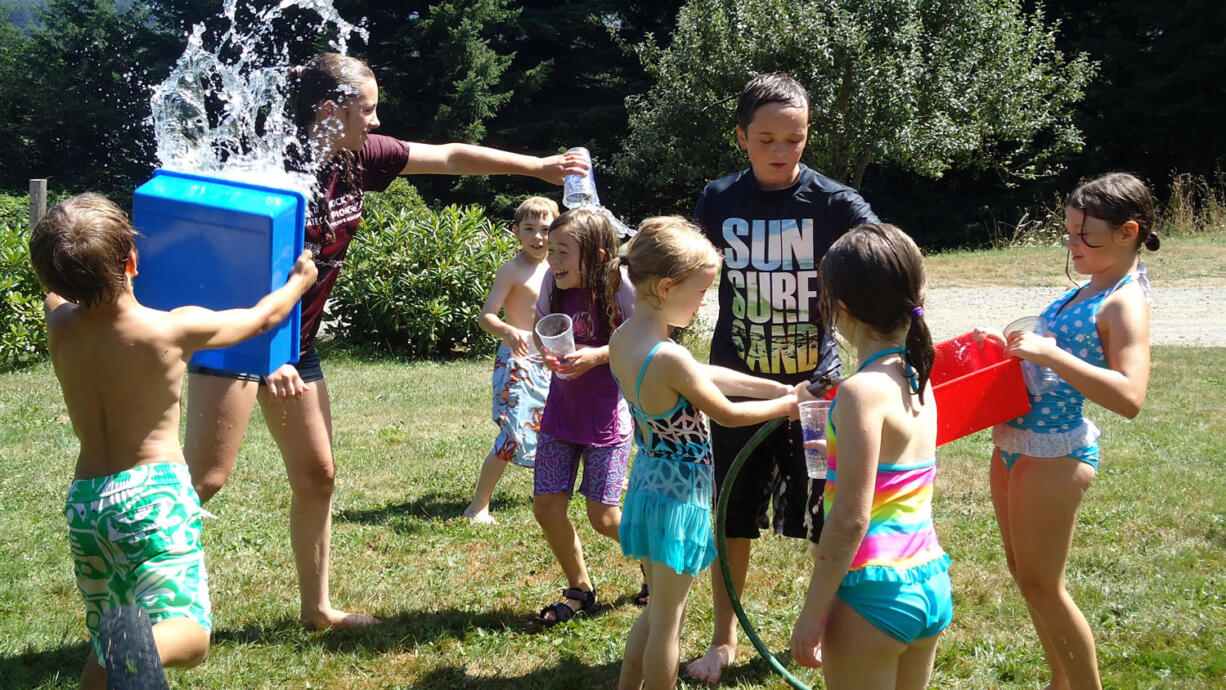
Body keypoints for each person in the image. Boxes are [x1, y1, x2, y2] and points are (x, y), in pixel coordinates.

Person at [182, 53, 587, 629]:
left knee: (318, 475)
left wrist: (537, 166)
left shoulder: (357, 156)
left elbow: (447, 156)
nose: (376, 122)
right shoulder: (268, 170)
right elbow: (227, 271)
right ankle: (126, 586)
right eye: (368, 110)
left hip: (299, 345)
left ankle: (317, 609)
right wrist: (262, 348)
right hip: (242, 341)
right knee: (205, 479)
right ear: (329, 110)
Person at [28, 194, 316, 688]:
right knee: (189, 635)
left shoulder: (58, 326)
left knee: (111, 634)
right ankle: (135, 652)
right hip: (151, 495)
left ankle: (115, 660)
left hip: (87, 504)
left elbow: (56, 292)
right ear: (133, 262)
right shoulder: (169, 328)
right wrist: (299, 281)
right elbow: (262, 318)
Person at [687, 72, 879, 683]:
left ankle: (828, 627)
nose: (780, 151)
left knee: (833, 511)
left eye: (794, 140)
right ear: (741, 136)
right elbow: (680, 276)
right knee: (731, 513)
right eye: (766, 138)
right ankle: (723, 639)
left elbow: (889, 258)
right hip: (737, 388)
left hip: (818, 391)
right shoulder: (717, 200)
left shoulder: (835, 204)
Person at [982, 173, 1158, 690]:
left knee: (1044, 584)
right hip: (1015, 444)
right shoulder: (1087, 288)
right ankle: (1062, 682)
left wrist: (1050, 352)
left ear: (1127, 232)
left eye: (1087, 236)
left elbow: (1130, 396)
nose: (1072, 244)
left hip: (1056, 452)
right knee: (1026, 576)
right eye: (1069, 233)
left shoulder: (1124, 301)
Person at [608, 217, 798, 690]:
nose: (702, 303)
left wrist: (776, 388)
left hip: (649, 485)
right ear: (668, 286)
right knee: (669, 621)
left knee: (658, 610)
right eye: (699, 292)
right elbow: (727, 414)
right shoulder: (670, 357)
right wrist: (790, 405)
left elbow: (706, 373)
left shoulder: (627, 339)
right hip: (680, 500)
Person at [789, 223, 950, 689]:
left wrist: (813, 611)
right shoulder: (917, 373)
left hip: (873, 592)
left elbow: (851, 520)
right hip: (928, 578)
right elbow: (898, 470)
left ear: (839, 310)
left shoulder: (860, 391)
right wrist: (837, 453)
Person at [532, 207, 635, 624]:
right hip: (560, 417)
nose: (551, 260)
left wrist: (597, 355)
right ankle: (579, 588)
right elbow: (541, 328)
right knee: (546, 508)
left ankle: (654, 569)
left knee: (605, 517)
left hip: (605, 422)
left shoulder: (619, 286)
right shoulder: (550, 284)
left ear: (594, 255)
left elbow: (643, 340)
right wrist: (546, 353)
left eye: (562, 252)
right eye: (550, 251)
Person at [463, 196, 558, 524]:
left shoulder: (556, 268)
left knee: (552, 430)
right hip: (517, 361)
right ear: (515, 231)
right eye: (529, 229)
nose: (538, 237)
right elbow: (486, 317)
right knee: (512, 434)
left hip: (547, 362)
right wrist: (508, 331)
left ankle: (549, 493)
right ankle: (478, 506)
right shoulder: (512, 270)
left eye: (546, 229)